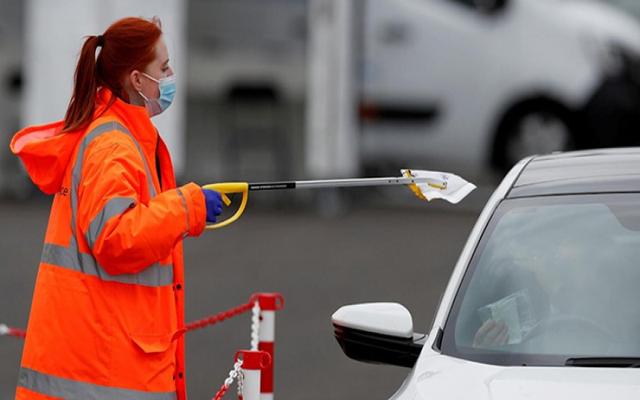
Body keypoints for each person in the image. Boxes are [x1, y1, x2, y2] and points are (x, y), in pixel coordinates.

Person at [10, 17, 223, 400]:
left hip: (103, 358)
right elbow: (116, 238)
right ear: (138, 80)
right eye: (164, 67)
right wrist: (188, 207)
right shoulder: (114, 146)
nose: (172, 74)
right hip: (107, 369)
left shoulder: (121, 137)